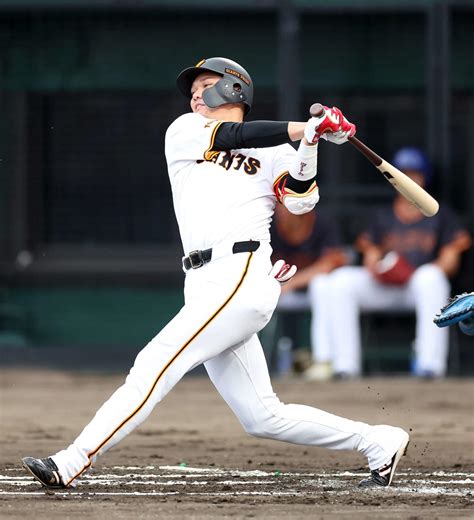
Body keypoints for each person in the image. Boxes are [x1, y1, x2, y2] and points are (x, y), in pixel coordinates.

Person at [21, 57, 409, 489]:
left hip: (239, 274)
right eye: (193, 88)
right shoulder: (185, 129)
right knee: (263, 416)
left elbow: (300, 201)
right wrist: (308, 127)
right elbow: (234, 135)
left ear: (233, 89)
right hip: (204, 280)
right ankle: (378, 440)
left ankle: (71, 461)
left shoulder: (279, 148)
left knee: (153, 364)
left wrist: (311, 143)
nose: (194, 94)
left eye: (204, 84)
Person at [314, 147, 472, 379]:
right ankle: (344, 365)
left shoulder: (440, 213)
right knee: (340, 282)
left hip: (419, 288)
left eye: (413, 173)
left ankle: (429, 365)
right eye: (403, 173)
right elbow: (369, 249)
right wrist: (375, 260)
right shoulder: (382, 215)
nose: (408, 179)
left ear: (424, 176)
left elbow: (451, 260)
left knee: (431, 278)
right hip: (385, 286)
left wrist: (425, 270)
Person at [270, 203, 349, 379]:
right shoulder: (268, 224)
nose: (281, 210)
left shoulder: (321, 222)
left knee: (322, 285)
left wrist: (292, 282)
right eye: (278, 204)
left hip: (317, 292)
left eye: (284, 204)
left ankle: (325, 361)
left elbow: (333, 261)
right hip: (282, 291)